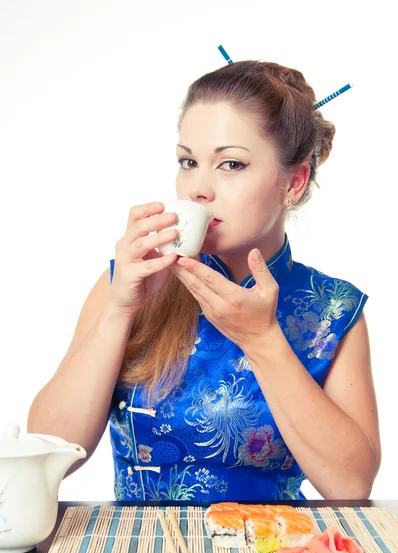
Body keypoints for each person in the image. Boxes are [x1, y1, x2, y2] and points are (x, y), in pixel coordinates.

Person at [27, 60, 381, 502]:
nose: (199, 188)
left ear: (293, 182)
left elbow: (351, 486)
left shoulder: (332, 310)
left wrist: (264, 341)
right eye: (188, 161)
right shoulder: (132, 282)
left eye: (231, 164)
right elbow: (44, 454)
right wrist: (120, 310)